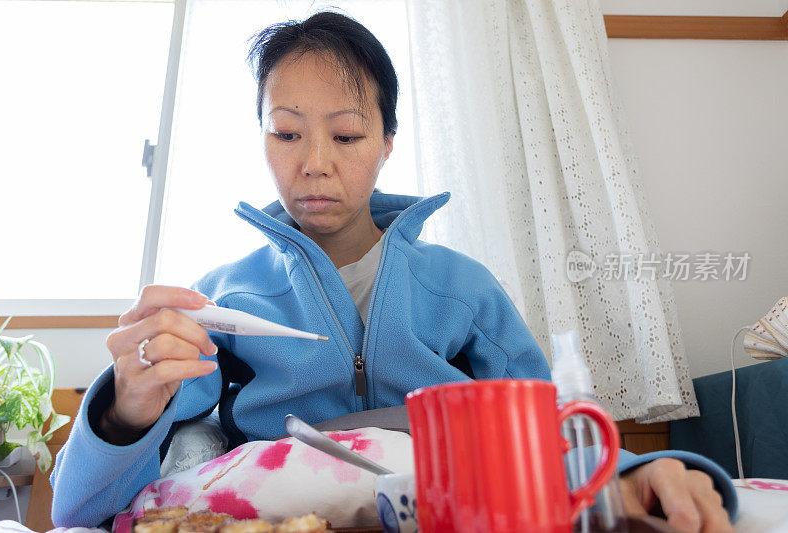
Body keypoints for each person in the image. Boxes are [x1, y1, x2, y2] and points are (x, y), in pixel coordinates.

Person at [51, 11, 735, 532]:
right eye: (286, 132)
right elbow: (80, 508)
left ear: (385, 145)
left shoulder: (460, 288)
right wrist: (121, 409)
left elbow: (549, 427)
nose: (314, 161)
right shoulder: (222, 298)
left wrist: (642, 471)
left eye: (346, 134)